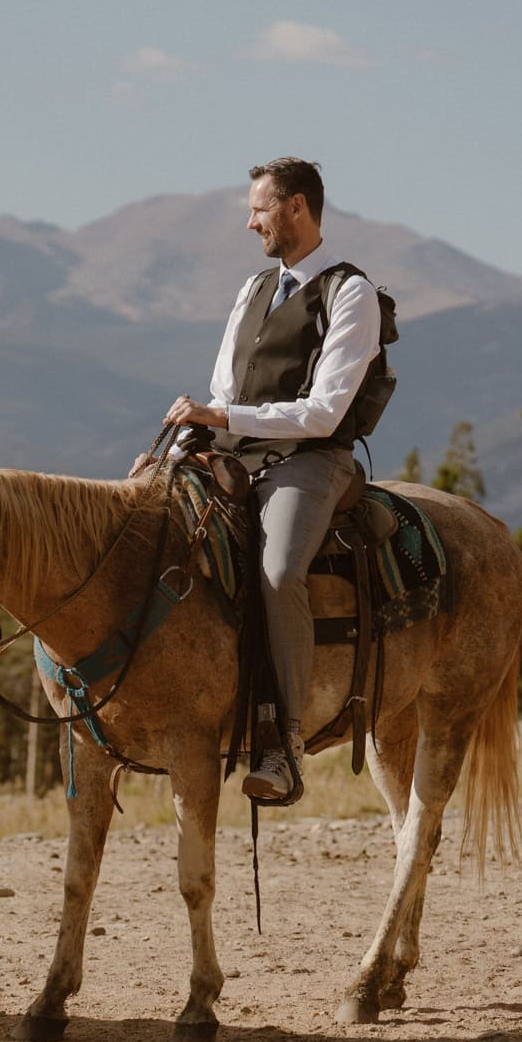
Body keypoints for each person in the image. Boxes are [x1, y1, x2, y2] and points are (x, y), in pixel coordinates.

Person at [155, 158, 382, 803]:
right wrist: (195, 432)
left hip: (312, 460)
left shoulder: (349, 293)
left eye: (260, 208)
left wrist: (224, 415)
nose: (250, 220)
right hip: (237, 449)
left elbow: (326, 411)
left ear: (297, 208)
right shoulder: (253, 287)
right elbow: (226, 386)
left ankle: (282, 747)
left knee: (280, 572)